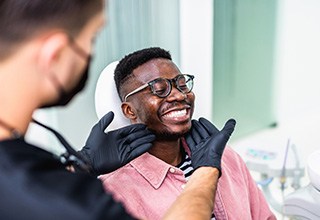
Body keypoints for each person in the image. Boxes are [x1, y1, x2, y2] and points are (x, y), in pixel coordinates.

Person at [0, 1, 235, 219]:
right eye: (90, 39)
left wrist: (82, 164)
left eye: (181, 84)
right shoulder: (82, 202)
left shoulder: (25, 177)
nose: (177, 95)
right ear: (56, 53)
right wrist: (205, 171)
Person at [99, 47, 276, 220]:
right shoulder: (114, 193)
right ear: (130, 111)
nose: (179, 95)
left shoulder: (224, 157)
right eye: (159, 89)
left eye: (182, 85)